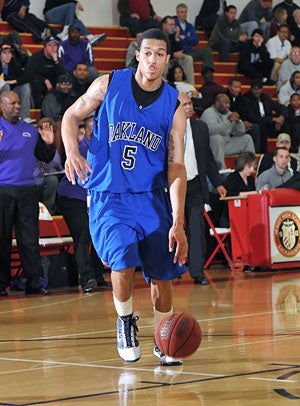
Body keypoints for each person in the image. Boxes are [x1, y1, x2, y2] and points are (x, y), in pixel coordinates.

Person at [61, 29, 188, 365]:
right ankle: (126, 319)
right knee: (123, 260)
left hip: (150, 196)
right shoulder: (108, 84)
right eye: (148, 52)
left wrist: (178, 219)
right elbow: (71, 116)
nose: (153, 59)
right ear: (137, 54)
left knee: (163, 274)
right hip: (108, 194)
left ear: (167, 59)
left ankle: (165, 332)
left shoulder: (174, 106)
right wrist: (72, 152)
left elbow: (176, 168)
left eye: (160, 54)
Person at [0, 91, 55, 296]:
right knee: (1, 238)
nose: (16, 106)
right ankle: (1, 283)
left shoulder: (30, 131)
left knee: (30, 239)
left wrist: (49, 144)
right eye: (12, 103)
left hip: (26, 190)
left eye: (18, 102)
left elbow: (45, 158)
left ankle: (35, 283)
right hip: (2, 190)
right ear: (1, 106)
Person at [179, 92, 226, 286]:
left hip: (195, 185)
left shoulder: (200, 127)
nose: (189, 107)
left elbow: (207, 158)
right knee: (169, 227)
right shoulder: (165, 128)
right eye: (184, 105)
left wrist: (218, 183)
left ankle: (197, 273)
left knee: (197, 229)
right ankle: (171, 269)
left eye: (190, 103)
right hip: (172, 186)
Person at [58, 123, 111, 292]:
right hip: (73, 197)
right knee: (83, 235)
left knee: (97, 234)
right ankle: (86, 277)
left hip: (93, 198)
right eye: (91, 127)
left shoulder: (106, 146)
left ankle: (98, 275)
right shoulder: (79, 147)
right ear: (87, 130)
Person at [200, 93, 255, 169]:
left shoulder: (228, 113)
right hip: (212, 145)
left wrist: (238, 122)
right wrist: (229, 120)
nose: (228, 106)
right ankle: (221, 170)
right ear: (217, 103)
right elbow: (213, 131)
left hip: (226, 144)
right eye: (225, 103)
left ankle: (249, 166)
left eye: (229, 103)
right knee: (217, 138)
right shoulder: (208, 113)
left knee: (247, 138)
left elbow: (240, 132)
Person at [238, 79, 288, 153]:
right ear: (251, 89)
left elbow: (282, 108)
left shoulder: (265, 97)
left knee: (286, 121)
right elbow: (253, 117)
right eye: (255, 89)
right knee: (261, 125)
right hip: (256, 124)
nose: (257, 91)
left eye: (259, 89)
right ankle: (263, 152)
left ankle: (287, 149)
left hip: (269, 123)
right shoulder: (245, 99)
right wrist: (273, 119)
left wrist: (281, 118)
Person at [25, 33, 66, 109]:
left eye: (55, 45)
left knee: (64, 84)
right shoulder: (36, 57)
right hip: (38, 81)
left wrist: (56, 61)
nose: (53, 48)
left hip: (52, 83)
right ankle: (37, 107)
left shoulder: (57, 58)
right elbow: (29, 73)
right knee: (36, 82)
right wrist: (45, 80)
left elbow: (62, 75)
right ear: (45, 47)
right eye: (50, 45)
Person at [41, 73, 77, 153]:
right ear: (58, 84)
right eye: (63, 84)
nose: (66, 86)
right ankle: (58, 155)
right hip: (51, 121)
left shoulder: (73, 95)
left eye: (68, 84)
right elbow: (52, 115)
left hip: (68, 121)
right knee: (59, 123)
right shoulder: (51, 95)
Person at [34, 117, 63, 214]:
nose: (46, 132)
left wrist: (49, 145)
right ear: (38, 130)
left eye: (49, 129)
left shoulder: (52, 148)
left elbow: (58, 168)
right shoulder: (31, 142)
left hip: (48, 177)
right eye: (43, 129)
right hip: (32, 178)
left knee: (53, 180)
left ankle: (47, 211)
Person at [174, 3, 214, 71]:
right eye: (182, 12)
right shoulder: (173, 25)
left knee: (207, 50)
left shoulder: (190, 26)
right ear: (177, 13)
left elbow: (196, 40)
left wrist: (185, 38)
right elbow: (176, 40)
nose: (184, 14)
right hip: (179, 53)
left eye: (185, 12)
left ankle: (208, 73)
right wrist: (187, 39)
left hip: (190, 52)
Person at [226, 77, 261, 152]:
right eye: (235, 87)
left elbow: (245, 113)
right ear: (229, 87)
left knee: (255, 127)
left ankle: (255, 152)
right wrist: (241, 122)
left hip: (240, 123)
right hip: (228, 124)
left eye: (239, 87)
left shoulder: (241, 98)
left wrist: (244, 122)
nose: (238, 89)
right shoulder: (224, 97)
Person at [0, 41, 32, 121]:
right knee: (5, 86)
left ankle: (24, 117)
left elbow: (26, 77)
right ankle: (6, 116)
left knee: (25, 86)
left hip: (11, 90)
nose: (8, 55)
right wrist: (4, 82)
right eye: (4, 53)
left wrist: (12, 81)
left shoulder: (13, 63)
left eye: (9, 53)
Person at [161, 15, 195, 84]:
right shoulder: (158, 36)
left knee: (188, 58)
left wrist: (176, 38)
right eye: (170, 25)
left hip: (174, 59)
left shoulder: (173, 36)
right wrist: (173, 55)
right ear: (164, 25)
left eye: (174, 25)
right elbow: (160, 53)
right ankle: (162, 83)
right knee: (165, 58)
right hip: (165, 60)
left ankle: (190, 85)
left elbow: (180, 50)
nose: (173, 27)